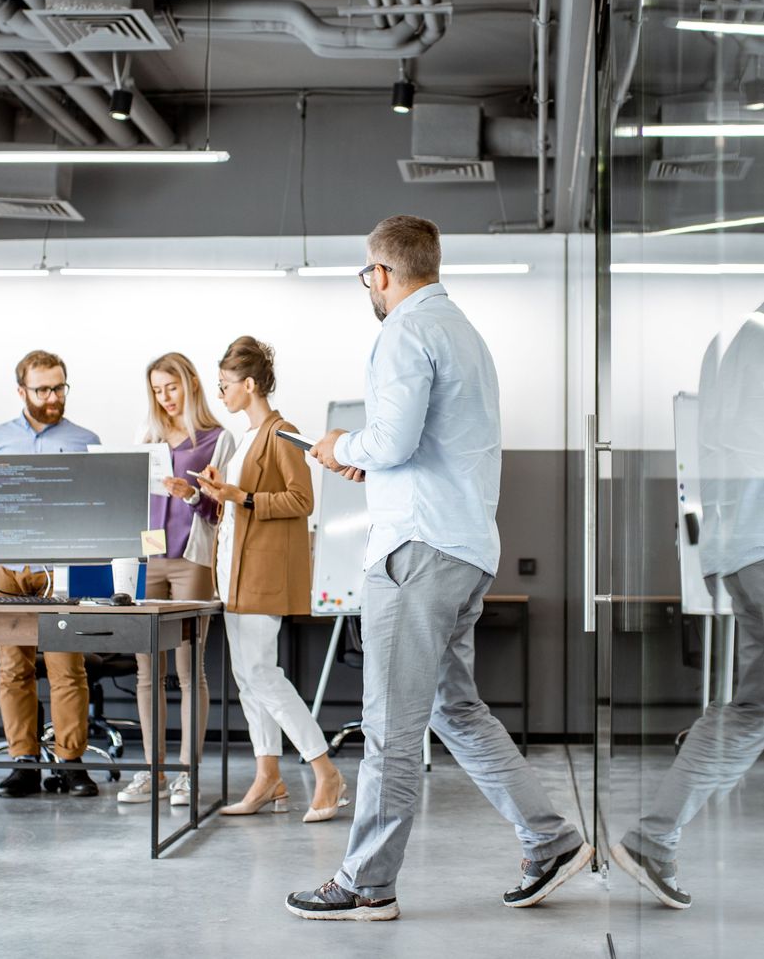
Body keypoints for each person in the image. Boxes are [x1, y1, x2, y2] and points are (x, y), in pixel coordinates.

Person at [286, 215, 590, 921]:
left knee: (391, 722)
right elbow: (423, 446)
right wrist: (372, 460)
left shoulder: (400, 331)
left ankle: (367, 880)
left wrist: (339, 445)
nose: (369, 284)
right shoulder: (461, 332)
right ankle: (548, 839)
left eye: (368, 273)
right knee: (453, 709)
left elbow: (389, 438)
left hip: (416, 553)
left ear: (382, 274)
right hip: (459, 546)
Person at [611, 304, 764, 909]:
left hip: (735, 546)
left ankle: (655, 837)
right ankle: (654, 837)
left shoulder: (728, 341)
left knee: (752, 711)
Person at [194, 336, 346, 822]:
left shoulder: (284, 433)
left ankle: (325, 770)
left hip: (262, 576)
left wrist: (242, 496)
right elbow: (241, 505)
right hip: (234, 574)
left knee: (261, 673)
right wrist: (220, 493)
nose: (221, 393)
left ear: (251, 384)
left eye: (225, 384)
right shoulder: (242, 441)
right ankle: (268, 776)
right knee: (247, 678)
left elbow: (302, 501)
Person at [0, 350, 100, 798]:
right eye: (43, 389)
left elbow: (98, 507)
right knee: (13, 668)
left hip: (59, 570)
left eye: (60, 387)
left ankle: (71, 763)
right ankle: (23, 762)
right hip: (6, 566)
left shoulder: (86, 440)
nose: (53, 397)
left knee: (67, 668)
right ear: (22, 391)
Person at [118, 352, 235, 806]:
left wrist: (190, 497)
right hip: (149, 561)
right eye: (157, 389)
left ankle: (187, 772)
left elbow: (219, 511)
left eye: (171, 387)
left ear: (190, 384)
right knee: (147, 673)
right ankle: (153, 771)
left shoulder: (217, 440)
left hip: (192, 561)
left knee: (189, 670)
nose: (165, 397)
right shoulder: (145, 439)